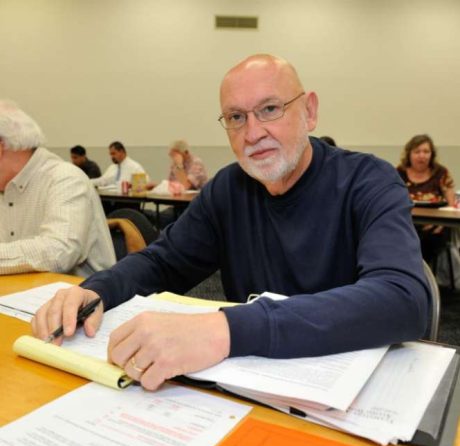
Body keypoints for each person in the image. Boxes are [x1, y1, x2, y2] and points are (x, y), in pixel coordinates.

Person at [33, 55, 429, 392]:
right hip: (251, 383)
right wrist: (96, 290)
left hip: (348, 385)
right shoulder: (229, 189)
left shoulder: (368, 181)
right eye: (236, 117)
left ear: (309, 111)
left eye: (270, 109)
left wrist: (226, 330)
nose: (253, 133)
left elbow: (404, 300)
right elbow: (162, 263)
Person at [0, 100, 116, 277]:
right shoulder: (5, 184)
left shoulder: (65, 179)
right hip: (22, 292)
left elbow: (59, 252)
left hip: (82, 297)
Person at [397, 134, 455, 263]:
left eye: (426, 151)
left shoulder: (441, 173)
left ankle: (424, 277)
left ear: (432, 154)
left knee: (427, 240)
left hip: (435, 226)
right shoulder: (399, 172)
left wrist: (441, 222)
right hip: (406, 223)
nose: (422, 156)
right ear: (409, 154)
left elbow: (451, 205)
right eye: (417, 151)